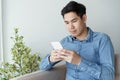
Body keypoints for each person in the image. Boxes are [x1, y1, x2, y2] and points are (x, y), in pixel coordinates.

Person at [40, 1, 114, 80]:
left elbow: (109, 76)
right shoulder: (65, 42)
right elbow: (42, 66)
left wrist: (80, 61)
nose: (71, 27)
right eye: (67, 23)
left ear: (84, 18)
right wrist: (51, 59)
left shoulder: (102, 40)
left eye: (74, 21)